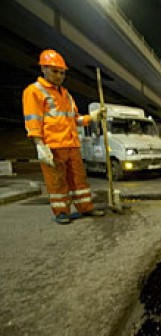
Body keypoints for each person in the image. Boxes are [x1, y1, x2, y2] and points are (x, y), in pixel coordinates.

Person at [22, 49, 107, 224]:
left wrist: (93, 117)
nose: (59, 76)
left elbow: (75, 119)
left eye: (62, 72)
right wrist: (39, 145)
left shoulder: (66, 94)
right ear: (43, 69)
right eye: (55, 71)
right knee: (57, 181)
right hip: (53, 145)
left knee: (79, 179)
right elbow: (33, 120)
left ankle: (86, 208)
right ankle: (61, 212)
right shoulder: (34, 91)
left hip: (72, 144)